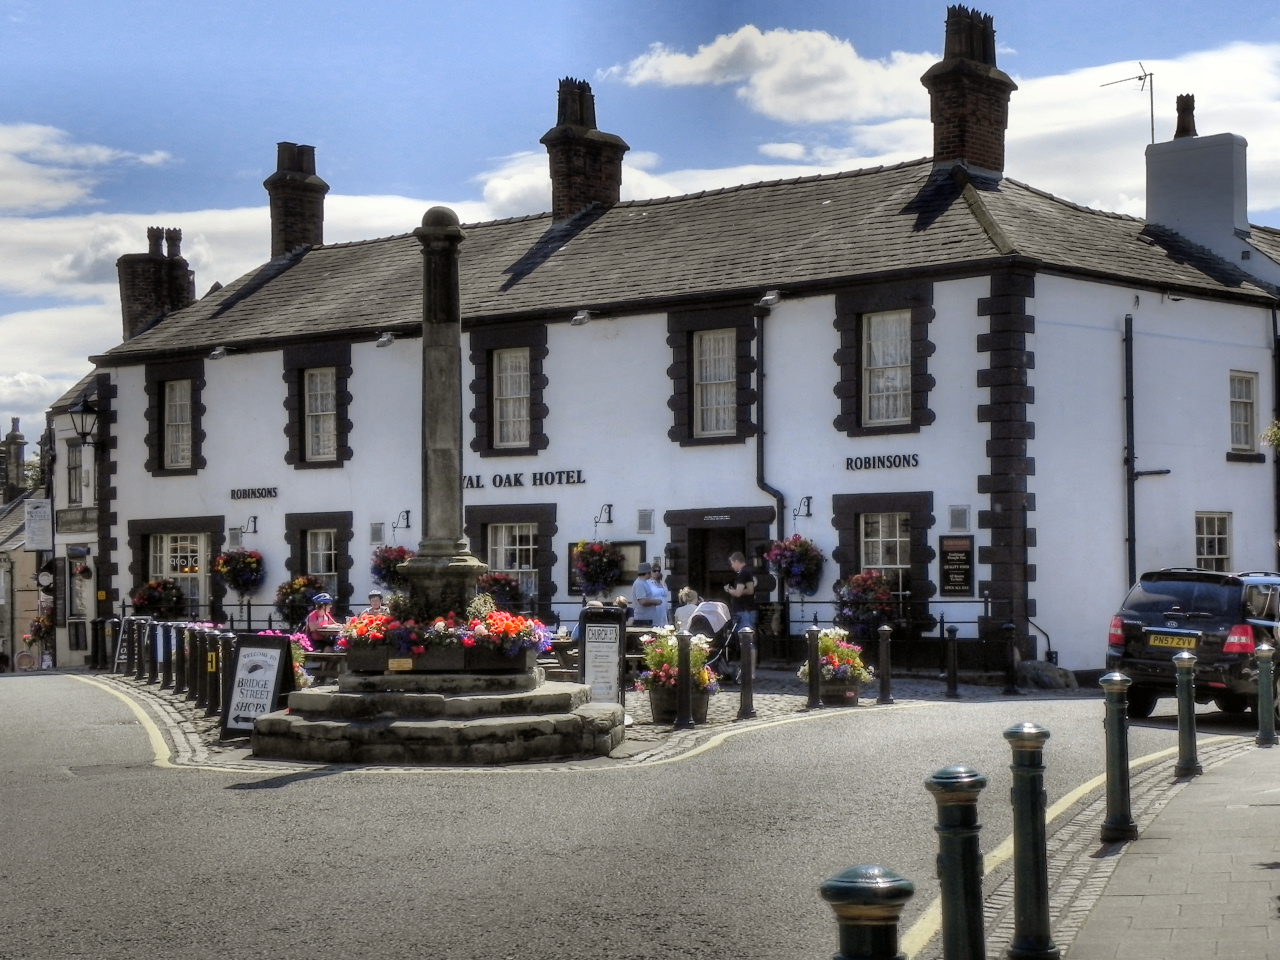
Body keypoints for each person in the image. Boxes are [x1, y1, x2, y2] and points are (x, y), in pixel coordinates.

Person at [724, 551, 758, 631]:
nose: (732, 566)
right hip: (750, 609)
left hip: (742, 611)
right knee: (749, 635)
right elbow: (750, 590)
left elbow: (738, 593)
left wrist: (728, 590)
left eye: (732, 563)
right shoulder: (748, 571)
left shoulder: (742, 573)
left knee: (743, 635)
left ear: (736, 561)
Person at [630, 562, 660, 626]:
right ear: (647, 572)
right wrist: (656, 602)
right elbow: (642, 601)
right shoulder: (639, 583)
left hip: (647, 618)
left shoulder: (644, 582)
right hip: (642, 619)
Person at [647, 561, 671, 627]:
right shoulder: (647, 583)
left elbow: (666, 597)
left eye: (658, 571)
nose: (656, 573)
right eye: (654, 571)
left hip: (664, 610)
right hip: (655, 608)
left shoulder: (662, 583)